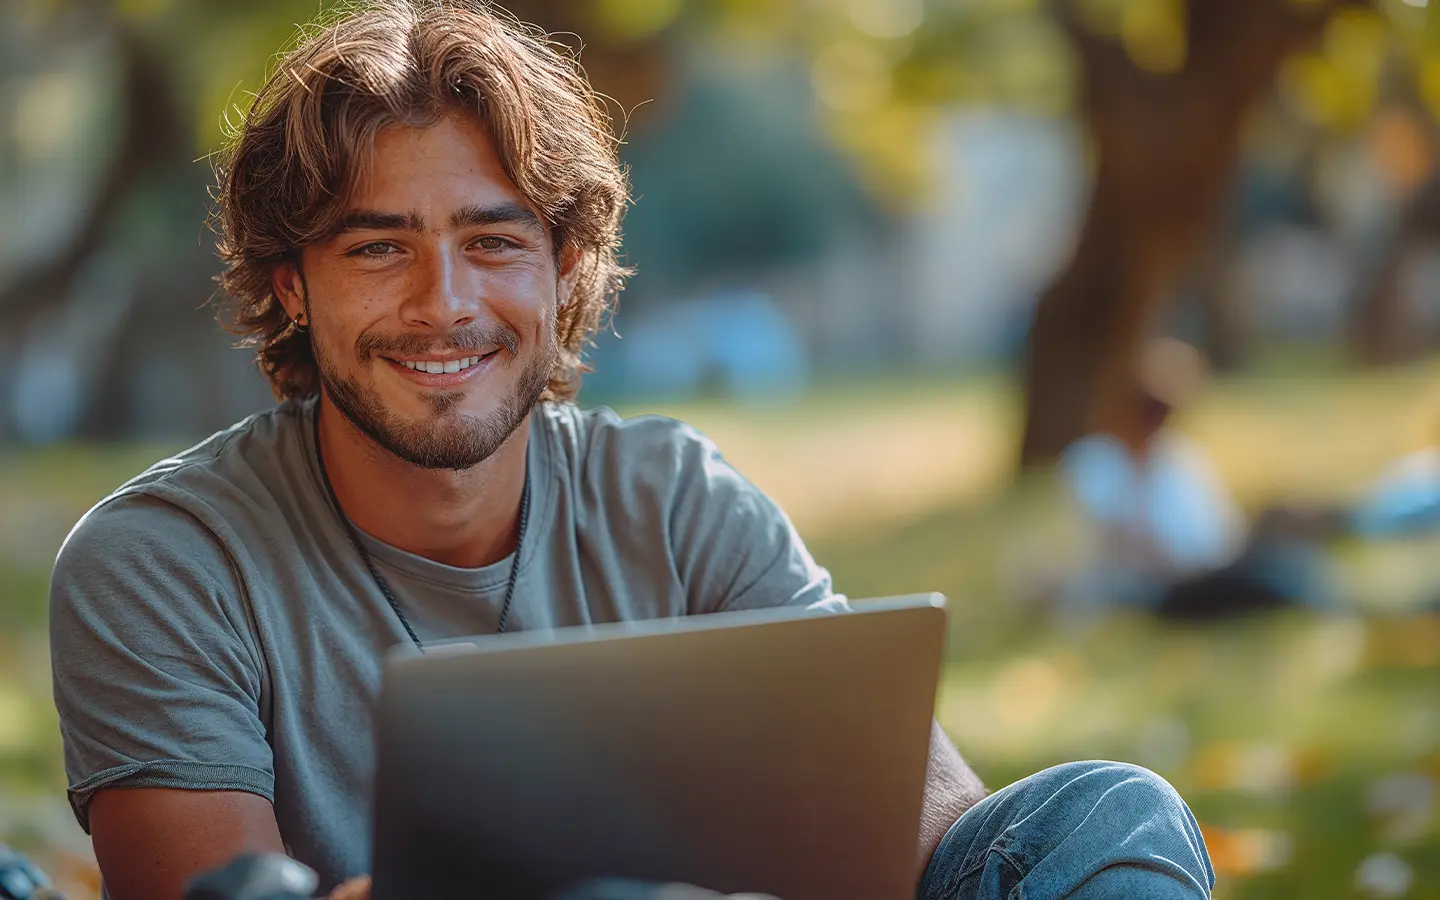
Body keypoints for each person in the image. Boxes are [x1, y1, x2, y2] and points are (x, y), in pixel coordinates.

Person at [46, 3, 1215, 899]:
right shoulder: (161, 564)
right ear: (291, 287)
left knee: (1110, 813)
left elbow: (938, 848)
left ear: (562, 272)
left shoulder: (677, 498)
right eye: (376, 250)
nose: (443, 301)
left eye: (494, 241)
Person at [1056, 339, 1246, 615]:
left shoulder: (1182, 458)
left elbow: (1218, 538)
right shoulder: (1093, 461)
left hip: (1198, 577)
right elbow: (1101, 540)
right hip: (1130, 584)